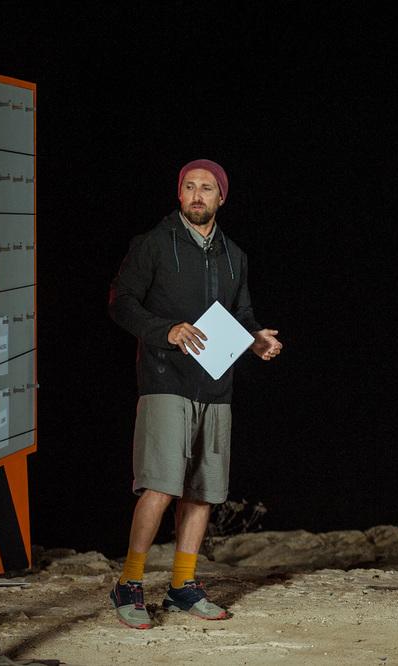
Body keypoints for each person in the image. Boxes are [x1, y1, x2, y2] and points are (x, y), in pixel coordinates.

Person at [107, 159, 283, 629]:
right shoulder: (154, 243)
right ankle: (129, 582)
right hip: (166, 379)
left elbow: (241, 314)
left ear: (222, 197)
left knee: (203, 491)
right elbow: (121, 302)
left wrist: (256, 339)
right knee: (161, 485)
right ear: (179, 194)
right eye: (189, 186)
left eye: (207, 188)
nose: (197, 195)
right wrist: (165, 331)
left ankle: (183, 586)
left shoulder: (234, 255)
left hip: (216, 384)